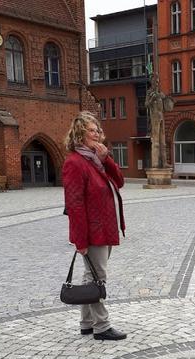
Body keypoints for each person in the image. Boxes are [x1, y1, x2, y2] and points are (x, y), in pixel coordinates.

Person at [62, 111, 126, 341]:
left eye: (98, 130)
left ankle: (86, 323)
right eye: (92, 130)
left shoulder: (96, 160)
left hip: (105, 228)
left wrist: (107, 158)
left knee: (91, 274)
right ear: (79, 133)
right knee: (98, 277)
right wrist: (79, 240)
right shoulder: (75, 163)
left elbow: (119, 181)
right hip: (92, 231)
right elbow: (74, 204)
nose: (97, 134)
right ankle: (101, 326)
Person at [145, 74, 173, 169]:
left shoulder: (161, 93)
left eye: (157, 81)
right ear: (151, 81)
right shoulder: (149, 92)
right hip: (155, 118)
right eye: (155, 81)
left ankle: (164, 163)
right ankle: (155, 163)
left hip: (161, 117)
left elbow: (167, 106)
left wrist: (168, 100)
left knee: (163, 141)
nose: (156, 83)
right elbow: (146, 104)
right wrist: (152, 99)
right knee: (156, 141)